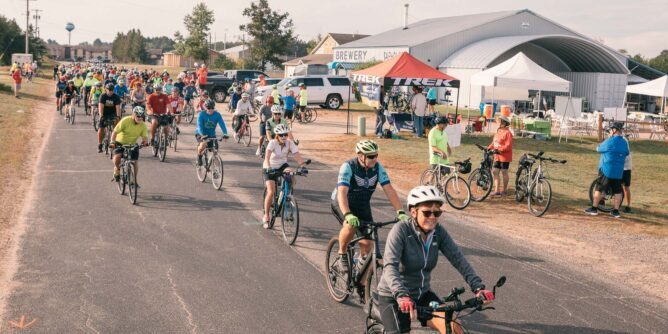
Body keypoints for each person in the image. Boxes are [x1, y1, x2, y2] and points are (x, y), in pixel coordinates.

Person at [376, 185, 495, 334]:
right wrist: (401, 295)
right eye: (427, 212)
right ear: (413, 212)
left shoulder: (438, 232)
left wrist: (478, 287)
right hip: (394, 296)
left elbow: (458, 259)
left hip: (422, 294)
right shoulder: (400, 231)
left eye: (437, 212)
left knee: (453, 327)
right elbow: (390, 266)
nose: (432, 217)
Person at [331, 140, 409, 274]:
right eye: (371, 156)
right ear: (361, 156)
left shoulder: (378, 168)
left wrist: (400, 211)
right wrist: (347, 214)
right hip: (342, 202)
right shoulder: (348, 166)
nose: (375, 159)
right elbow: (342, 192)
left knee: (367, 244)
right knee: (350, 225)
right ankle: (342, 255)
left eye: (376, 155)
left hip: (362, 205)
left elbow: (389, 190)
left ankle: (359, 275)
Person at [262, 124, 307, 228]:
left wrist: (302, 166)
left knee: (290, 173)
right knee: (271, 191)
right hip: (270, 166)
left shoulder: (290, 143)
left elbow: (297, 155)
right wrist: (268, 167)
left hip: (282, 165)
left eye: (285, 134)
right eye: (281, 135)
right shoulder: (272, 143)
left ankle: (288, 196)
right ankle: (266, 215)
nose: (284, 137)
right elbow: (267, 157)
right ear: (277, 135)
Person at [585, 122, 629, 218]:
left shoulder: (610, 141)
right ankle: (616, 211)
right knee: (617, 191)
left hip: (606, 169)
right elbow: (627, 153)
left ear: (614, 130)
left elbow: (598, 149)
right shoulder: (624, 142)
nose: (609, 132)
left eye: (610, 130)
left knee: (599, 188)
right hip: (618, 171)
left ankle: (594, 209)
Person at [109, 106, 149, 182]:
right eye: (138, 116)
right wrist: (112, 142)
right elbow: (115, 132)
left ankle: (134, 180)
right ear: (133, 115)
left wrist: (145, 142)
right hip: (120, 143)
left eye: (141, 116)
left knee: (135, 161)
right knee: (117, 157)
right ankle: (117, 169)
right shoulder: (125, 120)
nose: (140, 118)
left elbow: (145, 137)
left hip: (132, 144)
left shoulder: (143, 125)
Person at [195, 100, 229, 166]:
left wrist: (225, 134)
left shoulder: (217, 114)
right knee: (203, 145)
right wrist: (203, 135)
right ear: (205, 108)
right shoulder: (201, 114)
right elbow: (199, 127)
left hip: (211, 134)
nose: (210, 110)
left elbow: (222, 124)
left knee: (215, 149)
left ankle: (215, 168)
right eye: (208, 108)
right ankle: (199, 156)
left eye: (212, 108)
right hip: (201, 133)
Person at [489, 115, 513, 196]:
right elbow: (494, 142)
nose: (500, 123)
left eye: (502, 122)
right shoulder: (498, 131)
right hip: (497, 155)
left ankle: (505, 190)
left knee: (504, 172)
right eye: (500, 121)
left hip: (504, 157)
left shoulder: (508, 133)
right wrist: (489, 148)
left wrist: (500, 149)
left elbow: (508, 146)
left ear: (505, 123)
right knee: (495, 171)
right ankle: (497, 190)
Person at [98, 83, 122, 153]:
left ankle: (115, 142)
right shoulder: (103, 96)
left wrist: (118, 116)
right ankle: (100, 144)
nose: (111, 91)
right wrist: (101, 116)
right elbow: (101, 107)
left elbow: (118, 108)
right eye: (109, 90)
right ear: (106, 89)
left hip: (112, 113)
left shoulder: (116, 97)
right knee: (101, 128)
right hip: (104, 113)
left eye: (112, 90)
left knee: (116, 126)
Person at [622, 135, 633, 213]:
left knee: (626, 187)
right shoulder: (613, 138)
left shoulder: (623, 139)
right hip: (618, 165)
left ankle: (628, 206)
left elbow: (625, 152)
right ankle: (602, 200)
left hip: (626, 166)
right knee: (610, 182)